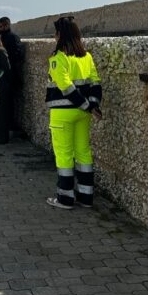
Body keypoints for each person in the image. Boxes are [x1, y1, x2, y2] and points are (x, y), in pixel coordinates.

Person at [45, 16, 102, 210]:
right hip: (82, 114)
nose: (54, 36)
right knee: (83, 152)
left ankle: (65, 198)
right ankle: (86, 197)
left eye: (55, 32)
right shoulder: (87, 57)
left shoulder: (58, 58)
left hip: (63, 113)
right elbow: (95, 82)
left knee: (64, 155)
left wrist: (86, 106)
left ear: (60, 35)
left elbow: (66, 87)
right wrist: (92, 105)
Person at [0, 16, 24, 132]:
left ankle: (11, 126)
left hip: (10, 77)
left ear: (6, 26)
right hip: (2, 76)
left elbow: (18, 55)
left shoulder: (13, 38)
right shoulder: (0, 38)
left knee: (9, 103)